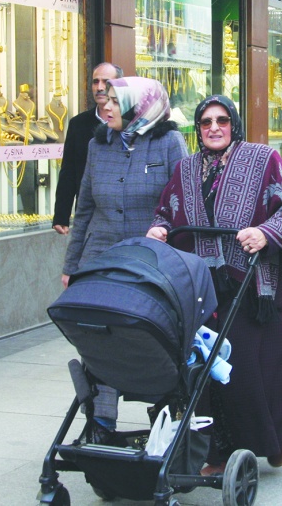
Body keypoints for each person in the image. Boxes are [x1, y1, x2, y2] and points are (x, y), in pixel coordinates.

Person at [148, 94, 282, 473]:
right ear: (198, 129)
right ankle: (217, 452)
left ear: (233, 124)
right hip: (202, 286)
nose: (214, 128)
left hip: (258, 285)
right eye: (206, 122)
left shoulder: (263, 159)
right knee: (208, 368)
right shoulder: (186, 169)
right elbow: (166, 212)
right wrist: (160, 228)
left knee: (261, 368)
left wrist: (265, 233)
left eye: (221, 120)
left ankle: (275, 439)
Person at [60, 77, 188, 440]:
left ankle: (164, 422)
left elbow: (183, 204)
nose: (106, 105)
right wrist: (72, 267)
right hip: (100, 263)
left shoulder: (168, 143)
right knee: (99, 339)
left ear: (139, 105)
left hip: (149, 265)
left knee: (151, 339)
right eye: (105, 99)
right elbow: (83, 209)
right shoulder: (98, 144)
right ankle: (100, 423)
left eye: (116, 100)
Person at [53, 63, 124, 235]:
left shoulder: (130, 122)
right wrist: (61, 214)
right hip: (88, 213)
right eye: (95, 82)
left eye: (106, 82)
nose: (100, 87)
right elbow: (69, 170)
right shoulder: (79, 124)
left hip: (122, 212)